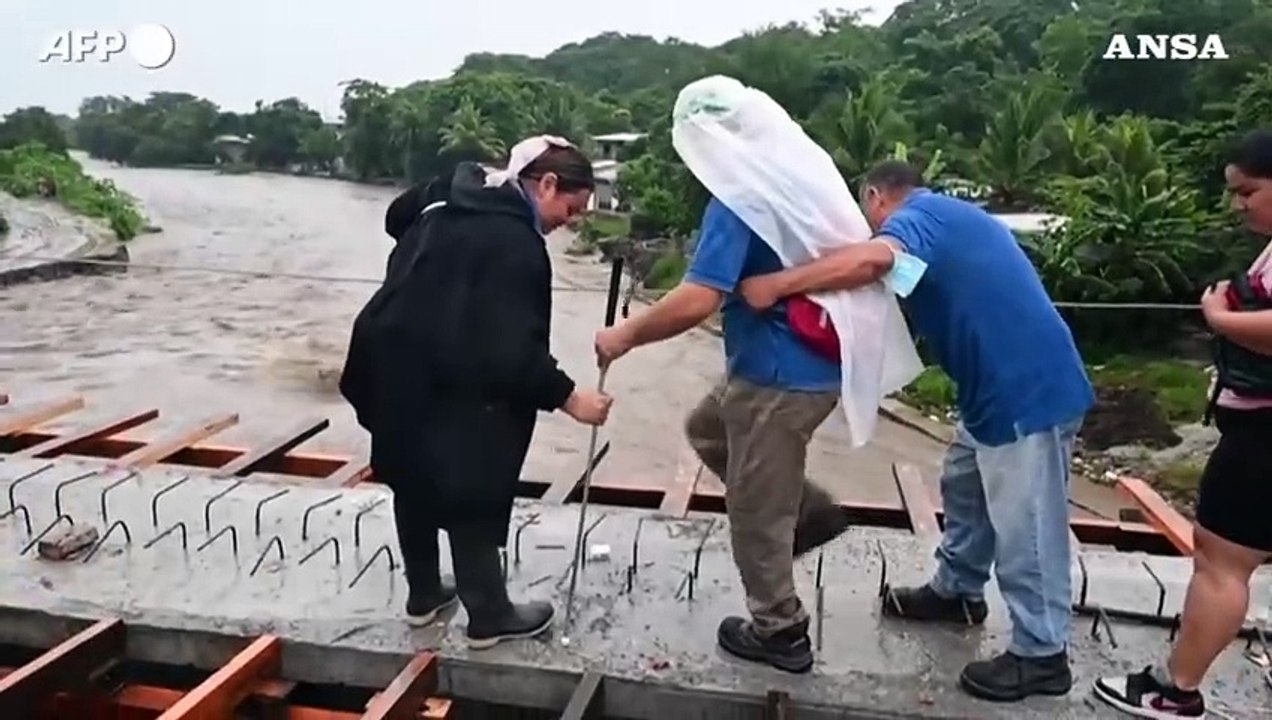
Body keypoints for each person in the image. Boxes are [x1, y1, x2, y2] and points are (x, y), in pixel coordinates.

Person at [736, 159, 1094, 701]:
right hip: (992, 389)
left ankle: (1042, 654)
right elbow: (884, 277)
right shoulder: (948, 221)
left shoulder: (923, 215)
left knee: (1027, 523)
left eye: (866, 212)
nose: (868, 224)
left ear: (877, 196)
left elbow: (876, 260)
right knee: (965, 489)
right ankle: (957, 590)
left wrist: (779, 284)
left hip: (1026, 390)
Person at [339, 137, 614, 649]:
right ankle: (489, 614)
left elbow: (396, 215)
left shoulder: (450, 201)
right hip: (443, 372)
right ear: (546, 184)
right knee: (472, 485)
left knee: (413, 476)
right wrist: (571, 398)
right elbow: (510, 350)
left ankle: (424, 594)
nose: (569, 222)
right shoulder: (515, 243)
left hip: (392, 361)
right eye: (570, 208)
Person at [594, 195, 855, 674]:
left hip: (777, 378)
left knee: (755, 511)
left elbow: (699, 297)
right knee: (709, 426)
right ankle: (806, 511)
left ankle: (780, 631)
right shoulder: (795, 193)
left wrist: (624, 335)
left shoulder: (739, 201)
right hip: (802, 363)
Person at [1093, 129, 1272, 719]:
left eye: (1247, 191)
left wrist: (1220, 317)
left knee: (1221, 564)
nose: (1238, 204)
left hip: (1262, 440)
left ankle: (1176, 691)